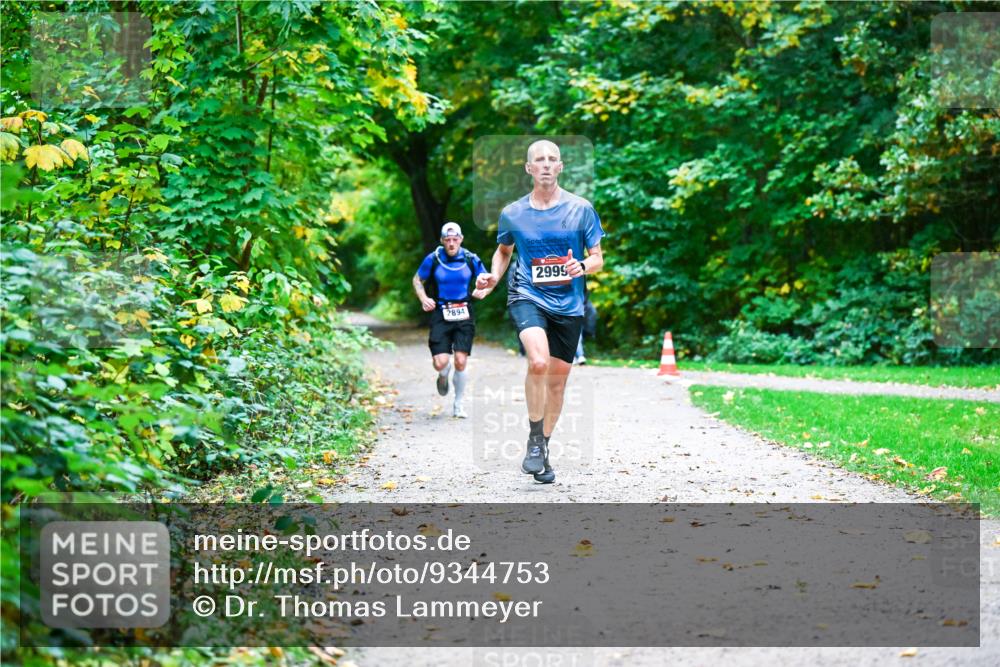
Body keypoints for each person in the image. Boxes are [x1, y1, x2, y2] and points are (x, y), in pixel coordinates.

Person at [477, 140, 604, 483]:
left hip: (569, 303)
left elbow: (597, 257)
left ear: (560, 167)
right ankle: (535, 439)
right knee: (538, 363)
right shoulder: (513, 213)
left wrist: (582, 265)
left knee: (557, 384)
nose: (546, 164)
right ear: (529, 168)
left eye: (552, 159)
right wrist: (493, 278)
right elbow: (504, 251)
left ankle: (543, 447)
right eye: (539, 160)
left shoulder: (581, 209)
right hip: (527, 294)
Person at [413, 222, 492, 418]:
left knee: (461, 360)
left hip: (464, 312)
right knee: (440, 363)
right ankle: (443, 373)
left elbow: (489, 280)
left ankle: (458, 404)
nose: (451, 243)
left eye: (455, 239)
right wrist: (424, 298)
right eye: (447, 240)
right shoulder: (434, 259)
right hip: (441, 312)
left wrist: (483, 290)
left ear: (461, 239)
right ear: (442, 240)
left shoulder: (470, 258)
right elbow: (417, 279)